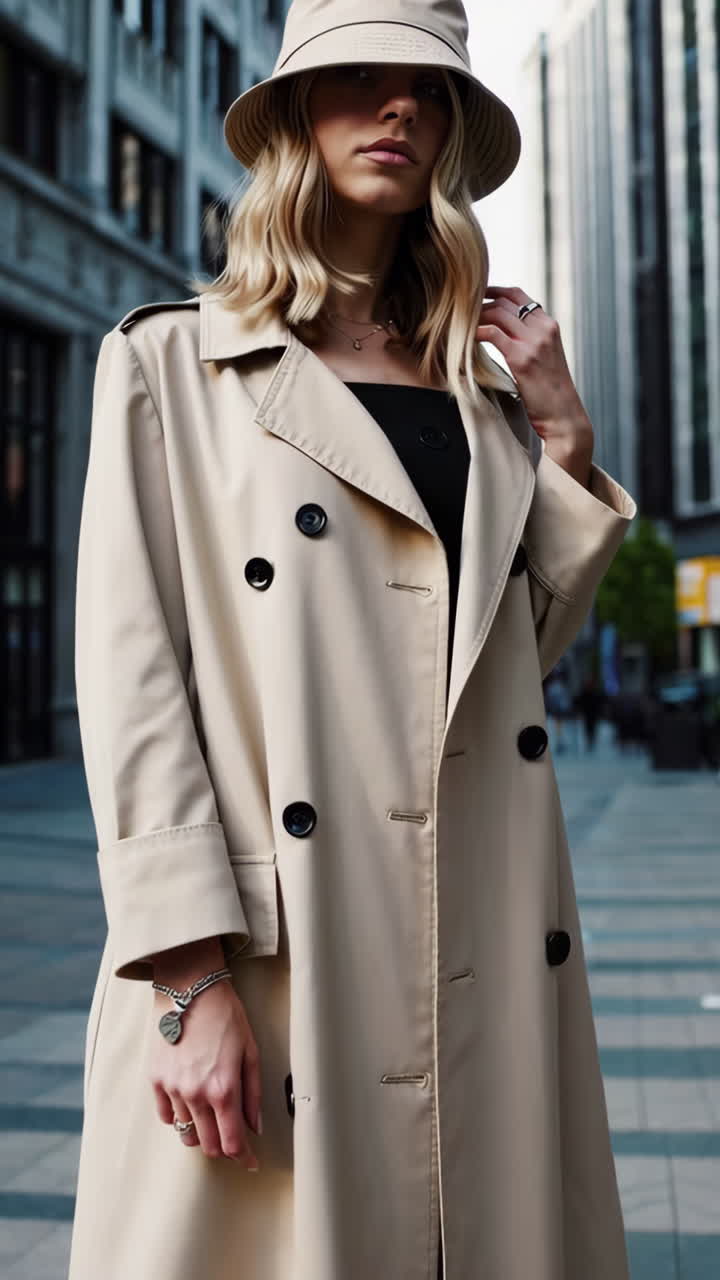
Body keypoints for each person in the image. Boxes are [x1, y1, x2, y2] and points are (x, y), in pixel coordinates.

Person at [68, 0, 636, 1276]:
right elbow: (131, 676)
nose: (400, 111)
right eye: (362, 81)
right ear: (293, 118)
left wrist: (563, 445)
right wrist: (184, 979)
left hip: (479, 937)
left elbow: (504, 677)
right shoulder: (175, 366)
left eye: (428, 94)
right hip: (283, 960)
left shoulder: (478, 399)